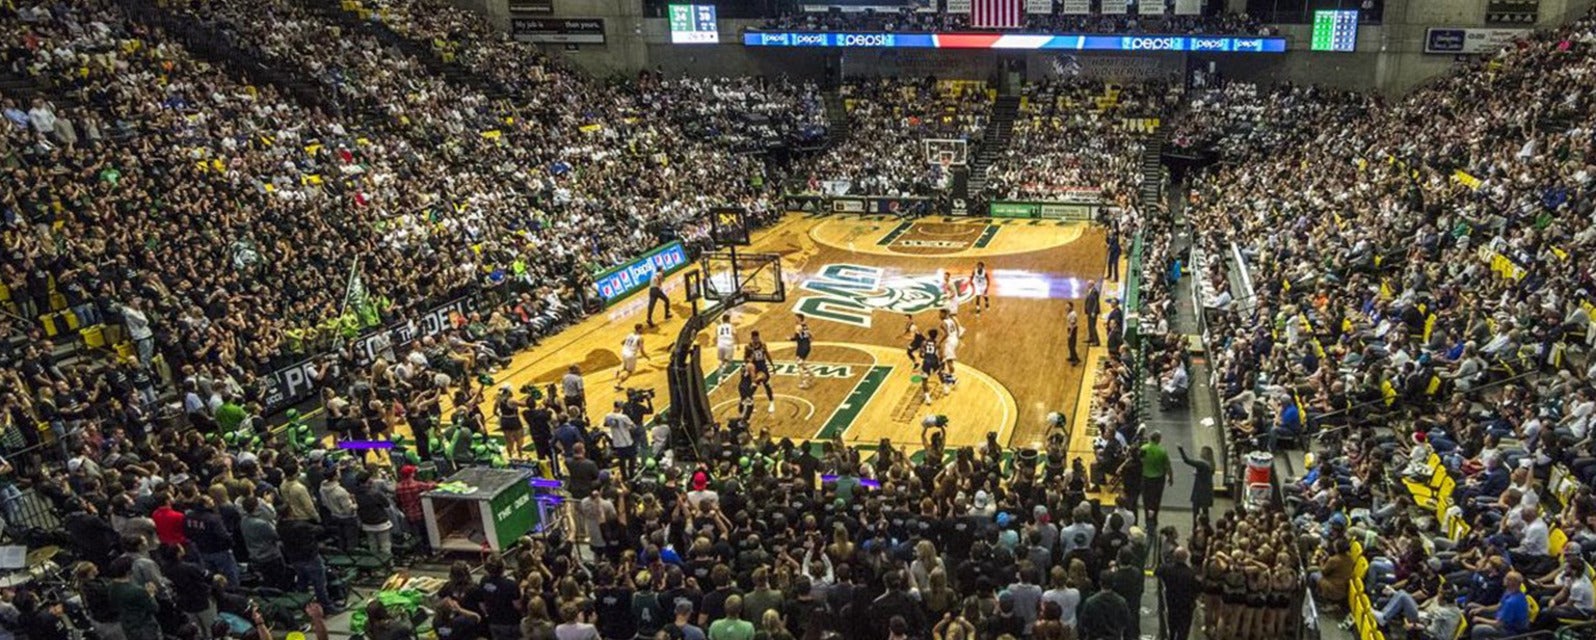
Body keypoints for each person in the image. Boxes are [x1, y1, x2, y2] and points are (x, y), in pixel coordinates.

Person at [1470, 571, 1529, 639]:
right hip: (1500, 617)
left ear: (1511, 582)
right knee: (1472, 607)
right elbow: (1499, 606)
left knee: (1477, 630)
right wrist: (1482, 609)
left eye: (1506, 578)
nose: (1503, 579)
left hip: (1510, 631)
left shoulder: (1512, 602)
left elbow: (1499, 624)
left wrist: (1480, 619)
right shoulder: (1509, 591)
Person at [1158, 547, 1201, 640]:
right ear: (1186, 558)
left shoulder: (1166, 569)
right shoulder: (1191, 574)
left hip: (1171, 602)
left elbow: (1157, 573)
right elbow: (1198, 590)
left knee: (1171, 627)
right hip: (1185, 606)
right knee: (1183, 631)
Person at [1078, 574, 1131, 640]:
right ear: (1114, 584)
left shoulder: (1090, 602)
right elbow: (1127, 623)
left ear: (1100, 583)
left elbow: (1083, 623)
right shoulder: (1121, 602)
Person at [1140, 431, 1172, 523]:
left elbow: (1140, 460)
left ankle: (1147, 519)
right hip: (1158, 479)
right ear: (1158, 439)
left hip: (1146, 478)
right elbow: (1167, 466)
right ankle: (1154, 519)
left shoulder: (1144, 448)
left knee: (1146, 500)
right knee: (1156, 500)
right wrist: (1170, 477)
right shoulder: (1162, 451)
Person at [1177, 446, 1215, 521]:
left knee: (1196, 511)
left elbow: (1187, 461)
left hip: (1199, 490)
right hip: (1207, 489)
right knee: (1205, 511)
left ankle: (1195, 528)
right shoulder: (1211, 464)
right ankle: (1206, 526)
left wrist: (1181, 450)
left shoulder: (1201, 464)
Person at [745, 333, 774, 413]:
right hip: (754, 368)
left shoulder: (763, 345)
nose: (756, 340)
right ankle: (750, 404)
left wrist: (772, 364)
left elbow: (767, 355)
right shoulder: (748, 347)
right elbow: (745, 359)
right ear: (752, 338)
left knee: (766, 384)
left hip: (763, 367)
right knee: (753, 386)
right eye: (754, 338)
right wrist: (749, 361)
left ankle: (771, 402)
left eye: (757, 338)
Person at [615, 324, 649, 391]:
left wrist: (628, 347)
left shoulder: (630, 334)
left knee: (624, 366)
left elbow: (622, 342)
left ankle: (618, 370)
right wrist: (647, 357)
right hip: (631, 355)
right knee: (630, 372)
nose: (643, 329)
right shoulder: (640, 338)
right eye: (642, 328)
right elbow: (642, 351)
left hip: (624, 352)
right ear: (639, 329)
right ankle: (618, 384)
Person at [791, 315, 814, 390]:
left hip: (801, 347)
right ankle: (811, 374)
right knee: (801, 362)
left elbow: (795, 337)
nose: (795, 319)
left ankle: (805, 382)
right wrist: (808, 342)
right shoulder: (805, 326)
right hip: (806, 346)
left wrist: (789, 338)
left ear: (800, 319)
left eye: (796, 318)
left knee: (799, 365)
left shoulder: (798, 327)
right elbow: (812, 335)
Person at [1083, 280, 1101, 347]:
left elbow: (1096, 302)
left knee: (1093, 326)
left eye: (1088, 284)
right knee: (1090, 325)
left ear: (1092, 284)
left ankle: (1096, 341)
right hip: (1089, 311)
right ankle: (1091, 338)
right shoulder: (1090, 290)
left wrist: (1094, 311)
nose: (1087, 285)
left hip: (1093, 312)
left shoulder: (1095, 292)